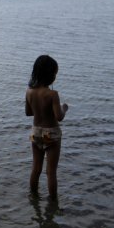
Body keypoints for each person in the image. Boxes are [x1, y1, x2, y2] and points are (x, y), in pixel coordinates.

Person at [25, 54, 69, 198]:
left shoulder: (29, 91)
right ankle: (53, 204)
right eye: (55, 73)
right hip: (52, 134)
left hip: (36, 132)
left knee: (36, 168)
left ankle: (33, 196)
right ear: (50, 75)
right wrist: (64, 108)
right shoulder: (52, 94)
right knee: (51, 172)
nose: (55, 76)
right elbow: (59, 117)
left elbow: (28, 112)